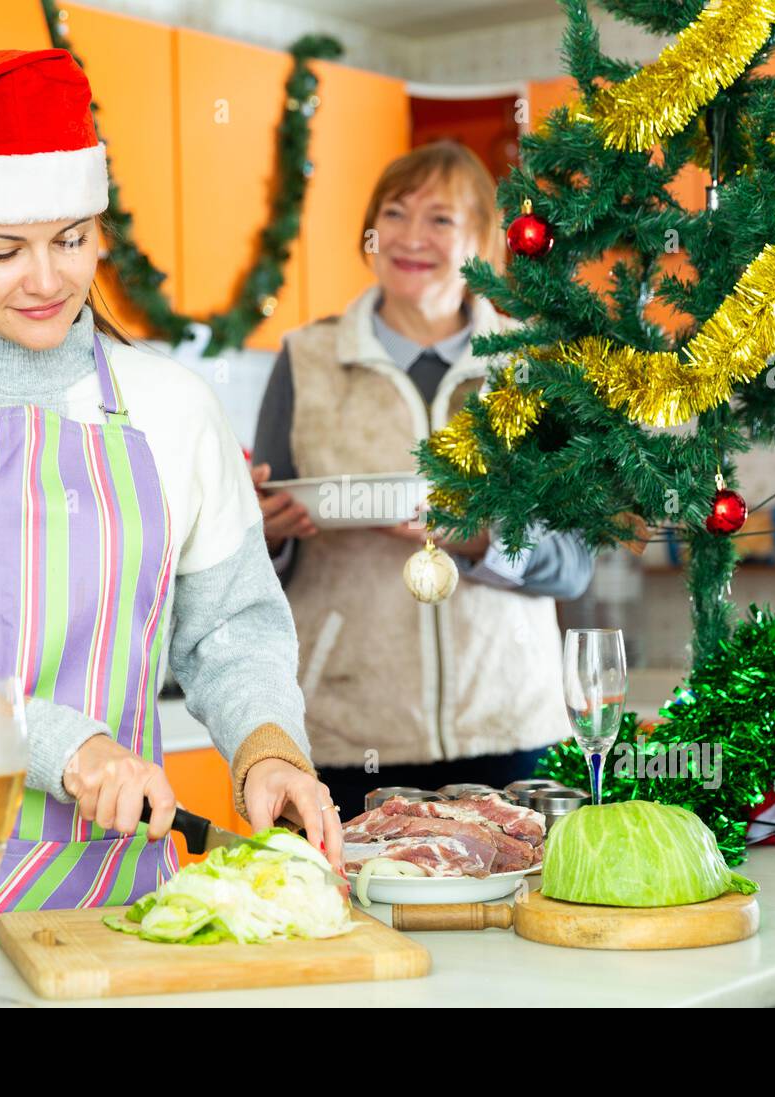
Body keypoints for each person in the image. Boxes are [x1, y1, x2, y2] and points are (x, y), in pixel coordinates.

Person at [0, 47, 340, 948]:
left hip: (107, 911)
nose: (46, 279)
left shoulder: (172, 408)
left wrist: (266, 748)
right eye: (4, 250)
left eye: (72, 239)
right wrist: (57, 742)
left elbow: (231, 628)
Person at [251, 141, 594, 820]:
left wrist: (478, 539)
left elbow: (575, 563)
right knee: (353, 921)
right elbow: (251, 559)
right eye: (395, 214)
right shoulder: (307, 358)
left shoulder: (529, 365)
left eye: (440, 219)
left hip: (512, 725)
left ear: (481, 240)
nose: (411, 237)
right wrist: (267, 534)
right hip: (347, 728)